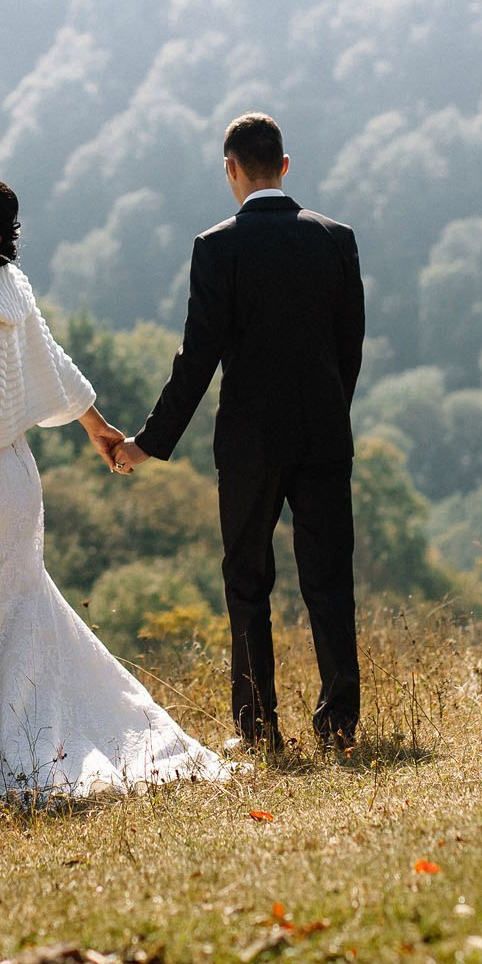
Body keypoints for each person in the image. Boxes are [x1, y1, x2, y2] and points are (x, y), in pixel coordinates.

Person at [0, 175, 235, 814]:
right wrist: (97, 425)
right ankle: (7, 751)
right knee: (5, 613)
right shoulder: (2, 290)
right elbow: (51, 361)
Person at [112, 114, 366, 756]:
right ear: (285, 166)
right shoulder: (337, 238)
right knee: (329, 581)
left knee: (248, 584)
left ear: (231, 168)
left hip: (250, 445)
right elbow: (350, 346)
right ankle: (338, 724)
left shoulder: (216, 246)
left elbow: (197, 357)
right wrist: (332, 409)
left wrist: (149, 440)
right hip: (324, 437)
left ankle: (259, 730)